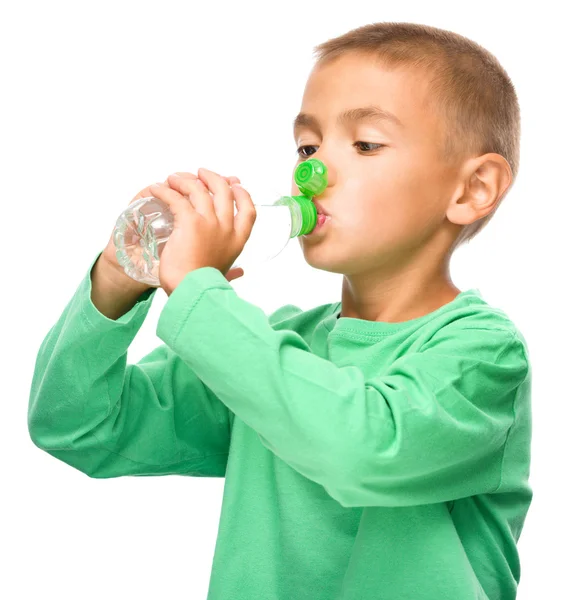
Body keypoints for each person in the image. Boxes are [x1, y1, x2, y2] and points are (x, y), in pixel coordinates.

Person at [28, 21, 531, 600]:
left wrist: (199, 292)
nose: (312, 173)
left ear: (471, 189)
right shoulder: (269, 345)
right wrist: (118, 280)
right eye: (308, 146)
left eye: (365, 143)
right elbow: (79, 426)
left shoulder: (483, 354)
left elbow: (361, 450)